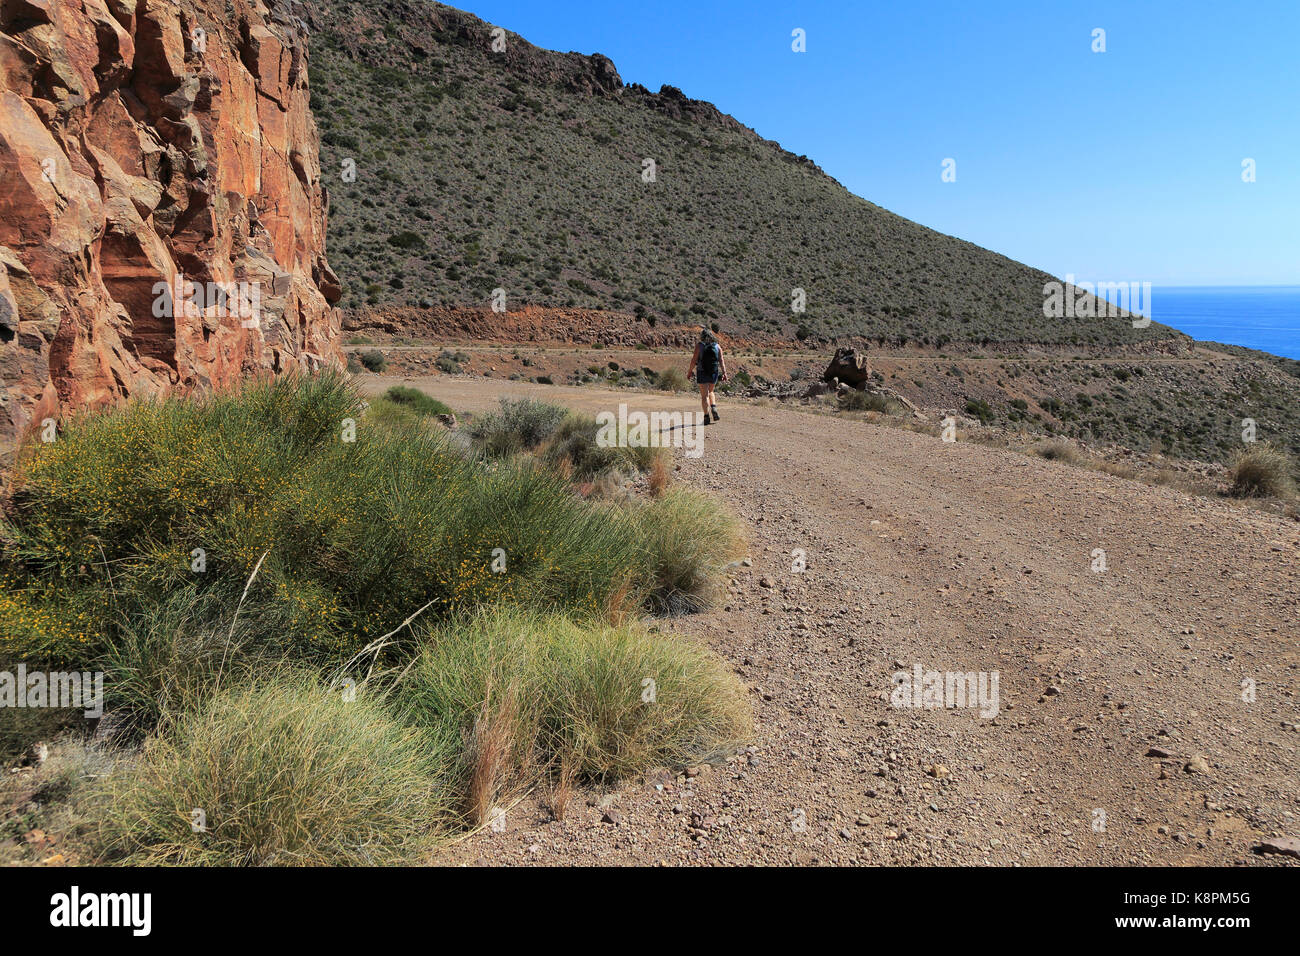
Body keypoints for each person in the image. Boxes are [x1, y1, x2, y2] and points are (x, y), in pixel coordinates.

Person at [687, 327, 727, 423]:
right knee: (711, 391)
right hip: (713, 372)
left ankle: (706, 416)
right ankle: (713, 407)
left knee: (704, 396)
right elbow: (721, 361)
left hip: (702, 371)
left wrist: (689, 372)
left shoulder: (699, 346)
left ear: (702, 336)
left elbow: (693, 361)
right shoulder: (717, 346)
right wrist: (724, 373)